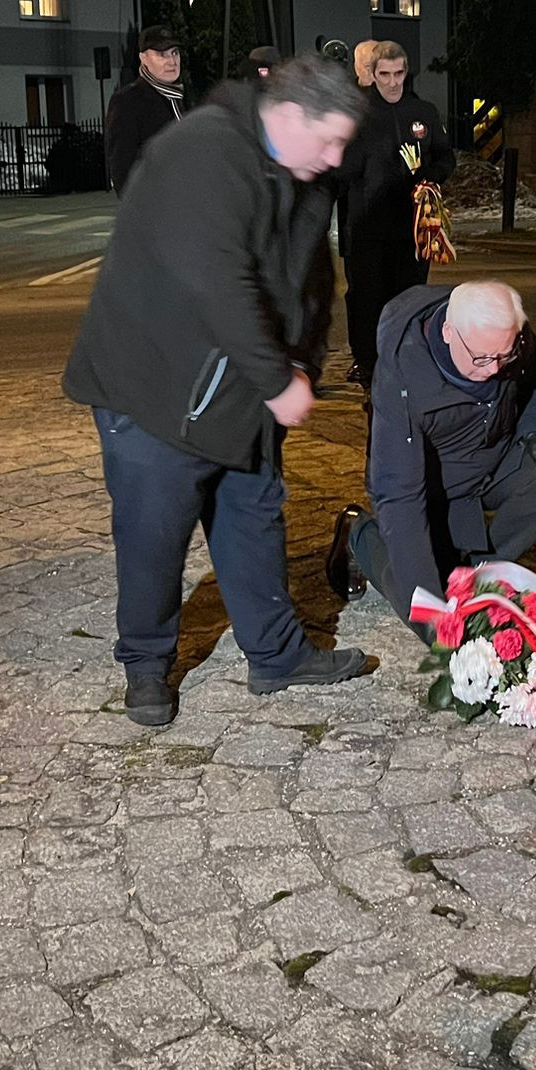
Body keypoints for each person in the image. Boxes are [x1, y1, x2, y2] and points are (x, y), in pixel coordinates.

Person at [61, 54, 375, 727]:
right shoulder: (200, 153)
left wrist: (305, 368)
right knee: (154, 537)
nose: (334, 156)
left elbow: (311, 283)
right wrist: (275, 379)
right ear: (287, 115)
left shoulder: (298, 171)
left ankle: (277, 655)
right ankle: (146, 666)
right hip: (157, 393)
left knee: (253, 518)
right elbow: (218, 283)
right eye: (328, 139)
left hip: (239, 393)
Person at [326, 281, 536, 620]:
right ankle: (360, 533)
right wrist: (431, 608)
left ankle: (479, 574)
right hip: (427, 490)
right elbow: (400, 495)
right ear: (447, 332)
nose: (494, 370)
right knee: (431, 622)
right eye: (482, 358)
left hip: (491, 464)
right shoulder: (401, 378)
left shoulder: (503, 337)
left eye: (505, 356)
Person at [338, 42, 456, 386]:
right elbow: (337, 170)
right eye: (385, 75)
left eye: (399, 74)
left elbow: (445, 157)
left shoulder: (424, 111)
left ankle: (406, 361)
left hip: (413, 230)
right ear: (372, 75)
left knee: (410, 300)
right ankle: (369, 367)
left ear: (407, 72)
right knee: (367, 300)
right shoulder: (357, 114)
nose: (392, 82)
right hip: (367, 229)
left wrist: (430, 176)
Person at [101, 25, 187, 197]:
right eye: (162, 54)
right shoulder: (128, 101)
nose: (172, 61)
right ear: (143, 58)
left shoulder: (180, 98)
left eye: (175, 53)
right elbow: (121, 167)